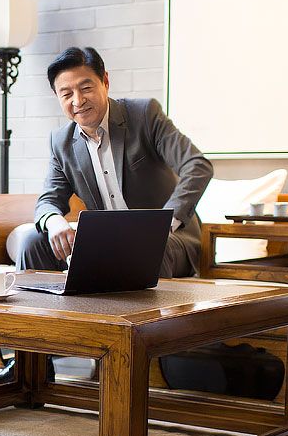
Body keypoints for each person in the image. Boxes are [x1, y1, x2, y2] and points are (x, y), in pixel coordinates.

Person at [17, 45, 213, 276]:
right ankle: (49, 313)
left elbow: (197, 165)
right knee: (33, 241)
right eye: (67, 94)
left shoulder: (144, 115)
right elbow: (48, 200)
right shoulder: (62, 142)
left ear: (105, 82)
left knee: (146, 248)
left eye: (86, 88)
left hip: (171, 241)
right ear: (57, 97)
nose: (78, 101)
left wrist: (163, 226)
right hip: (106, 242)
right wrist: (53, 222)